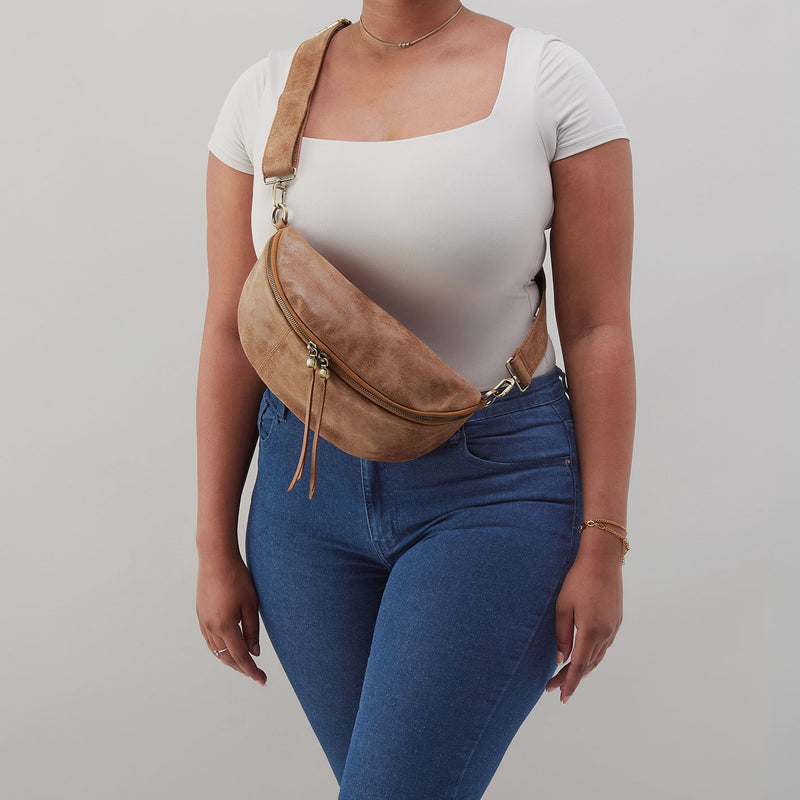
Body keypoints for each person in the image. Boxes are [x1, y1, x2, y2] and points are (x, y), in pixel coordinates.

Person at [196, 2, 635, 798]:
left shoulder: (548, 81)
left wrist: (604, 543)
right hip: (302, 505)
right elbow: (232, 330)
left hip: (494, 493)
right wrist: (213, 546)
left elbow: (598, 327)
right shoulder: (263, 93)